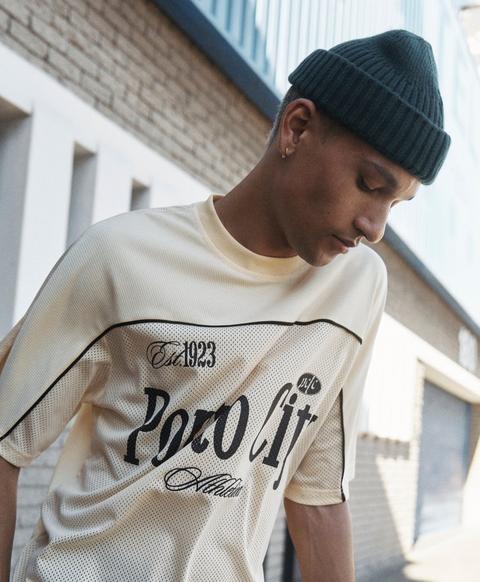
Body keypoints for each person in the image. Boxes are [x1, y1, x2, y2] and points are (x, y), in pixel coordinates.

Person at [0, 28, 450, 582]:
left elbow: (318, 495)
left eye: (396, 204)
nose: (375, 227)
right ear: (297, 128)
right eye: (369, 184)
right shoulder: (119, 258)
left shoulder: (357, 288)